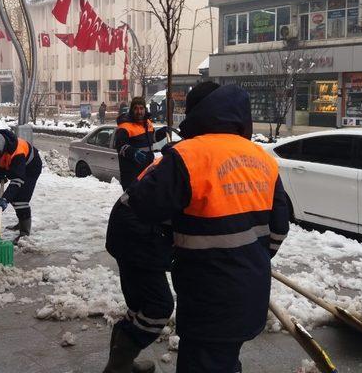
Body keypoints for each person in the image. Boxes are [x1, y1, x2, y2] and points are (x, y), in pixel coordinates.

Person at [124, 82, 290, 373]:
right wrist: (254, 258)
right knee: (225, 360)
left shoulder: (188, 156)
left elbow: (140, 204)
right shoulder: (263, 159)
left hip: (206, 296)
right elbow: (279, 228)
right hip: (251, 291)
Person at [103, 158, 173, 373]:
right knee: (157, 307)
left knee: (139, 304)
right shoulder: (193, 161)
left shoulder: (180, 155)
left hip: (128, 226)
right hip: (140, 233)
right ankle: (117, 368)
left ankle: (121, 364)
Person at [0, 129, 43, 245]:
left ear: (2, 148)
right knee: (14, 197)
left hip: (31, 168)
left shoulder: (17, 152)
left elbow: (17, 180)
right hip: (15, 167)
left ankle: (24, 232)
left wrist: (5, 198)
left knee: (21, 199)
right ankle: (21, 223)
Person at [115, 97, 155, 190]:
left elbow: (152, 139)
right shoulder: (124, 126)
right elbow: (120, 146)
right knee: (133, 202)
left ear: (145, 109)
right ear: (131, 110)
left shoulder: (148, 123)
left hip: (147, 171)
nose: (139, 111)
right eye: (136, 108)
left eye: (141, 108)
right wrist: (133, 153)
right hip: (131, 175)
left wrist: (161, 134)